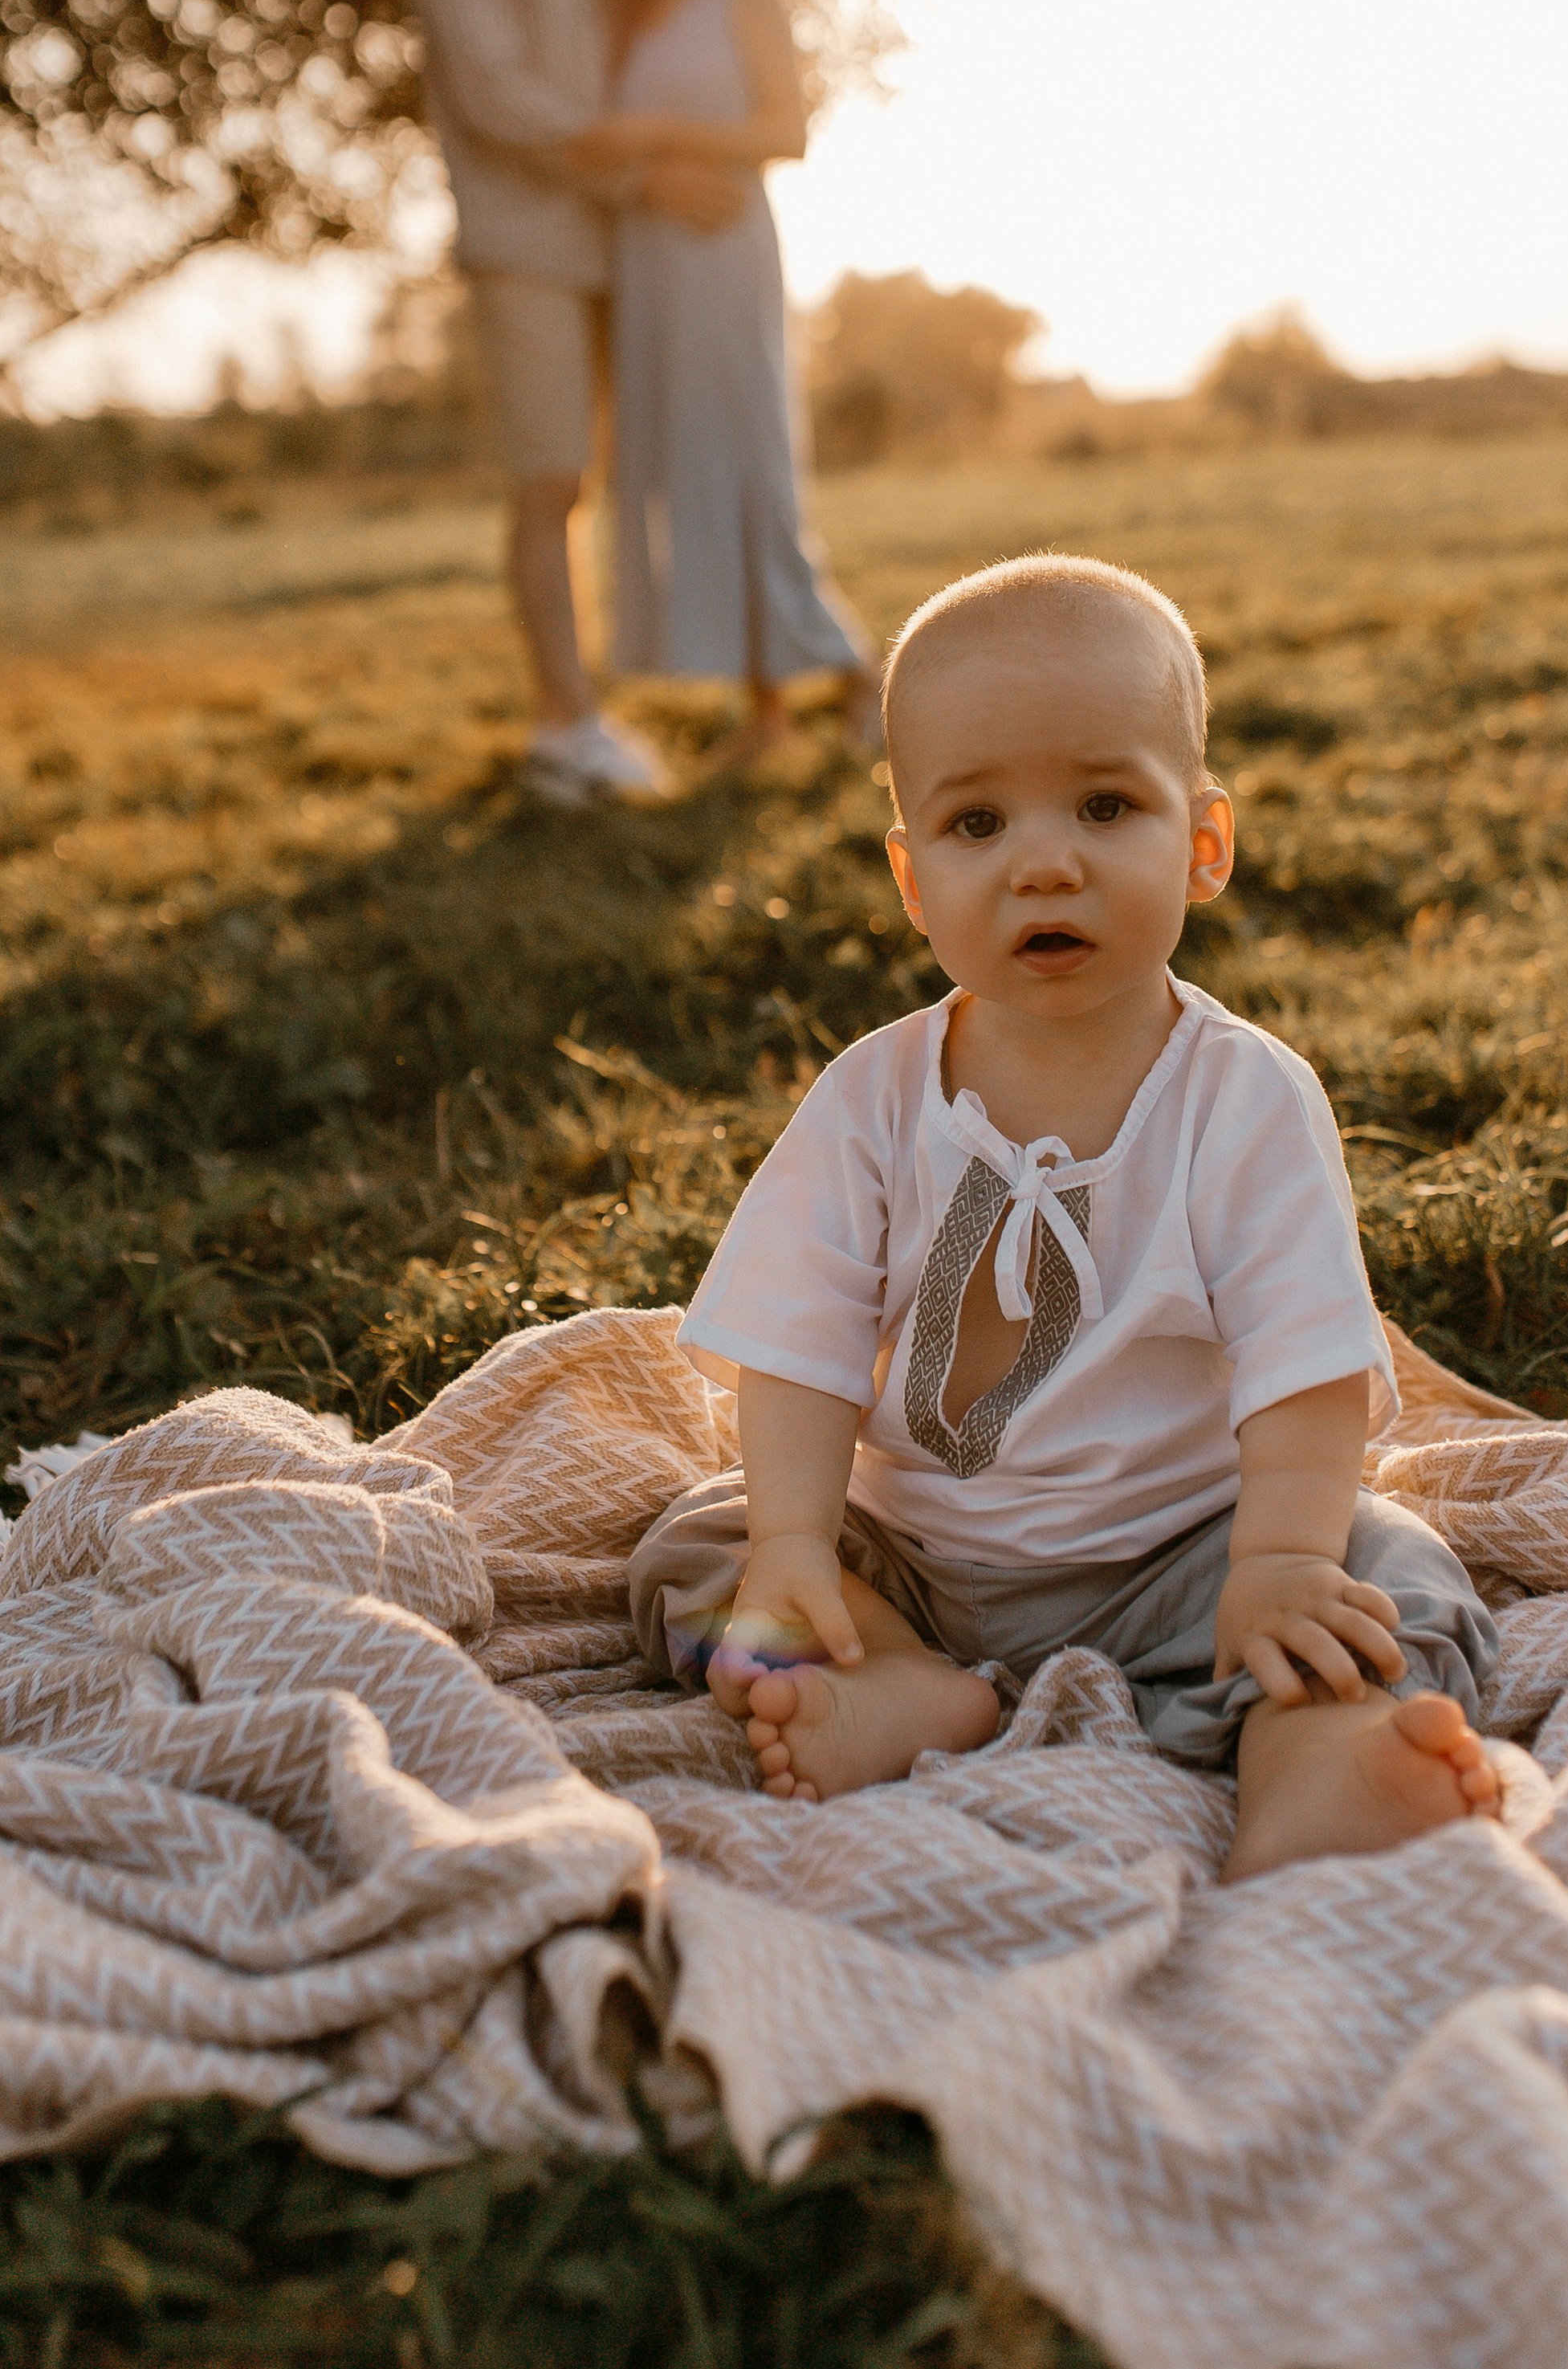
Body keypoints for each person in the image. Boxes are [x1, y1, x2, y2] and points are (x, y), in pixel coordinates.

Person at [627, 554, 1502, 1878]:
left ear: (1203, 843)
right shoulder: (871, 1100)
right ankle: (905, 1682)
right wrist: (801, 1548)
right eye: (978, 826)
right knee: (695, 1552)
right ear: (914, 881)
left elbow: (1306, 1368)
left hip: (1187, 1556)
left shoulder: (1242, 1100)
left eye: (1104, 805)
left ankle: (1311, 1758)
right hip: (913, 1554)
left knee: (1390, 1577)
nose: (1045, 864)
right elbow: (796, 1350)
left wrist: (1272, 1562)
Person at [405, 0, 740, 805]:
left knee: (595, 481)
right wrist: (646, 166)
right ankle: (563, 729)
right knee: (548, 479)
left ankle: (595, 706)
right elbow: (493, 92)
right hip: (526, 239)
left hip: (622, 243)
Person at [564, 0, 879, 759]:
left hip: (727, 257)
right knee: (691, 474)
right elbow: (594, 150)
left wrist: (658, 135)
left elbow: (786, 130)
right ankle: (768, 713)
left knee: (753, 469)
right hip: (649, 266)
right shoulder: (624, 12)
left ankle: (864, 672)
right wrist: (647, 179)